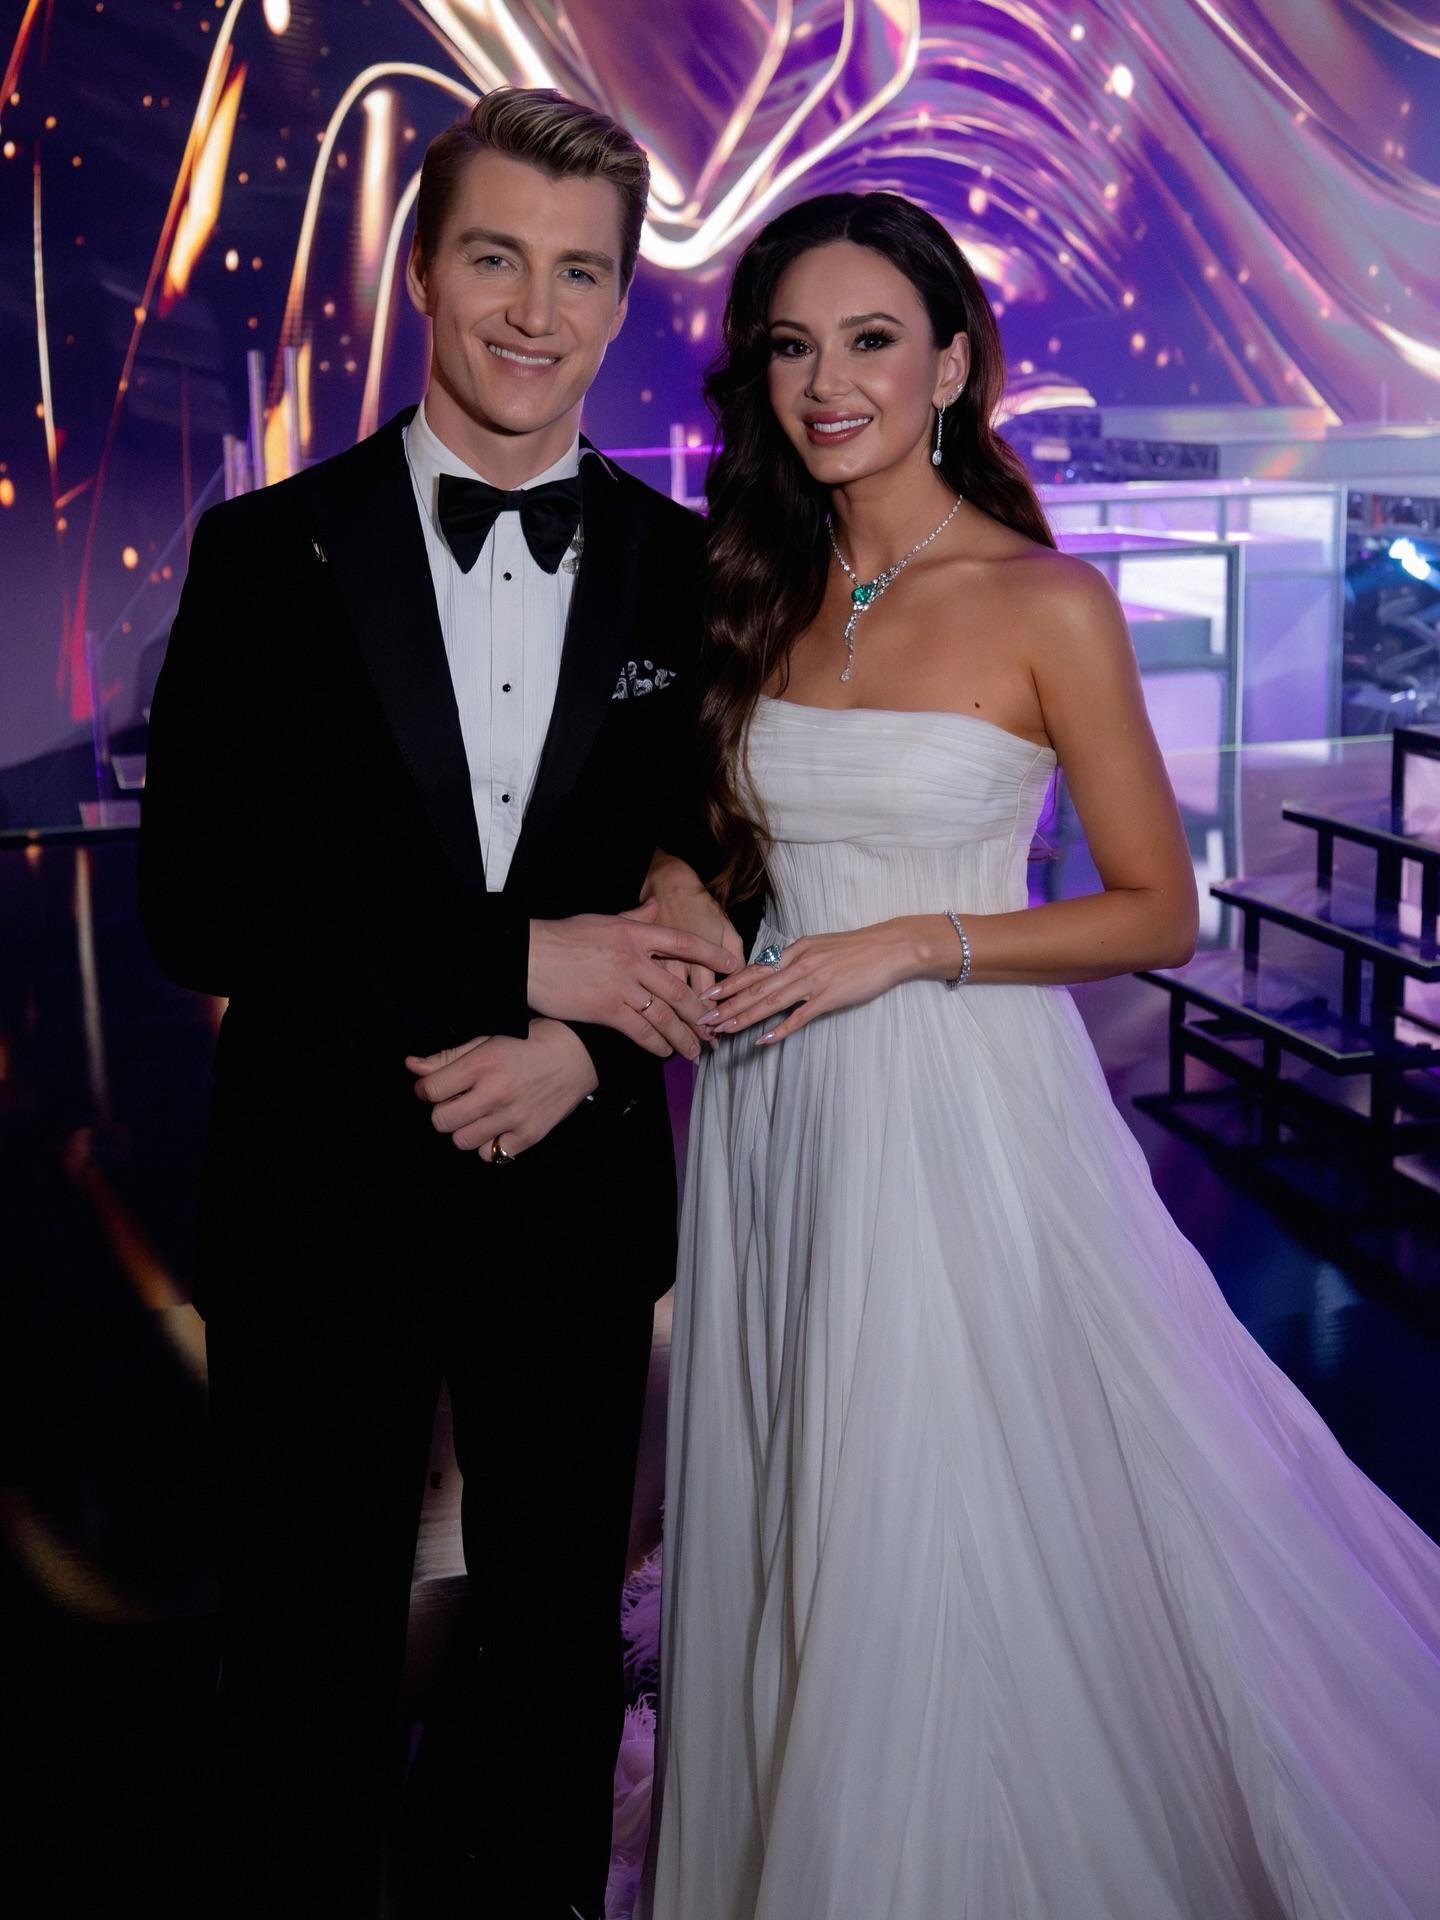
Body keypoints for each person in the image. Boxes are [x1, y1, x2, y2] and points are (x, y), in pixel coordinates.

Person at [641, 191, 1440, 1920]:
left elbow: (1160, 911)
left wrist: (912, 942)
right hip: (773, 1111)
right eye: (792, 345)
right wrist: (681, 878)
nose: (827, 381)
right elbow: (724, 824)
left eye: (870, 341)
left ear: (952, 365)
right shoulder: (755, 583)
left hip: (956, 1104)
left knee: (936, 1508)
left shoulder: (1044, 598)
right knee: (798, 1486)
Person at [140, 87, 736, 1920]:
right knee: (306, 1675)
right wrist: (518, 963)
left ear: (623, 299)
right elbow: (196, 906)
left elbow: (719, 878)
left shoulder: (692, 572)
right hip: (318, 1196)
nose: (535, 313)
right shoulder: (265, 551)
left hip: (572, 1202)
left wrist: (577, 1041)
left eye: (581, 273)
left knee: (555, 1673)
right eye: (495, 257)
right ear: (419, 270)